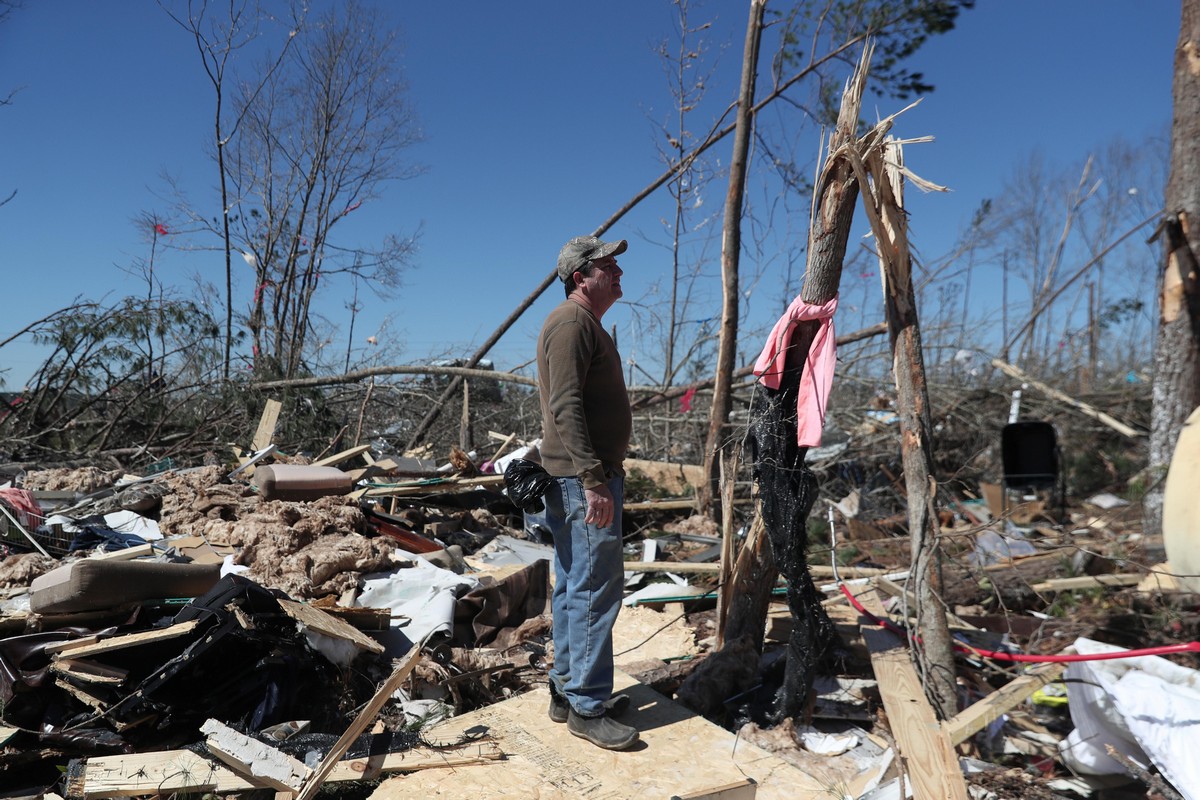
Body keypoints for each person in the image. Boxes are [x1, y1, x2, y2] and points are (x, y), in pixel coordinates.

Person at [535, 235, 638, 751]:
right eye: (608, 267)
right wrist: (594, 479)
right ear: (581, 276)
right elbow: (566, 404)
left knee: (577, 584)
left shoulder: (582, 323)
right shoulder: (573, 322)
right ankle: (588, 706)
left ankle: (567, 690)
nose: (618, 273)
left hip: (581, 478)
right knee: (596, 589)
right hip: (583, 481)